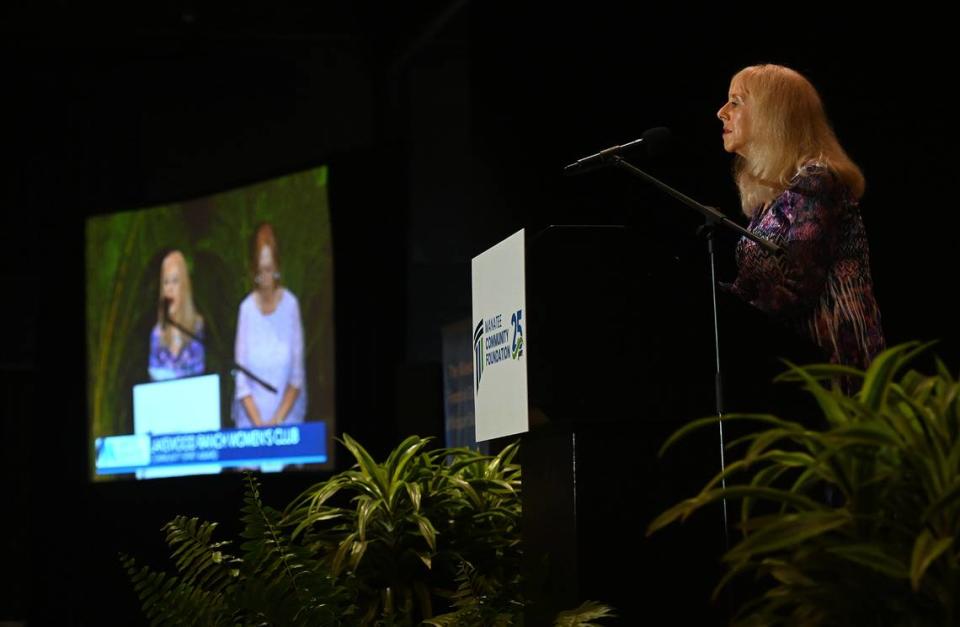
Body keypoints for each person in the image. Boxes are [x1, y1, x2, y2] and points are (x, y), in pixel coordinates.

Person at [716, 64, 885, 377]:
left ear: (772, 115)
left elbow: (799, 286)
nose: (721, 112)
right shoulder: (770, 201)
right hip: (791, 360)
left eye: (736, 102)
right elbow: (748, 288)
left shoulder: (818, 180)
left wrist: (738, 317)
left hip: (831, 358)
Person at [232, 223, 307, 428]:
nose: (265, 275)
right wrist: (259, 425)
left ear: (277, 267)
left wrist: (277, 422)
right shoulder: (246, 309)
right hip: (250, 424)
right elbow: (241, 381)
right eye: (260, 268)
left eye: (269, 268)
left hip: (287, 422)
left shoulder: (291, 305)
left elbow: (296, 377)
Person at [148, 250, 205, 381]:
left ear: (184, 286)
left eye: (175, 281)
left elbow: (198, 374)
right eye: (166, 282)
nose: (169, 288)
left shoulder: (196, 327)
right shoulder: (157, 334)